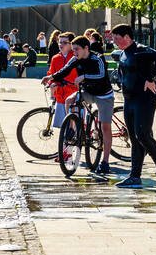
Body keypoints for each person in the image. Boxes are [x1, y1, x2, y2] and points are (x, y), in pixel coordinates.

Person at [110, 23, 156, 189]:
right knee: (135, 138)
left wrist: (150, 78)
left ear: (127, 37)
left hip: (144, 99)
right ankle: (134, 176)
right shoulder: (123, 53)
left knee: (143, 135)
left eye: (117, 38)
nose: (114, 42)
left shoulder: (141, 49)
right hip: (129, 100)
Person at [45, 35, 116, 176]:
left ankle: (105, 162)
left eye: (77, 49)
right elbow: (64, 70)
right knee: (69, 101)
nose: (74, 52)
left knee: (105, 127)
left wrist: (85, 76)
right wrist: (51, 77)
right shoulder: (75, 58)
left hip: (103, 94)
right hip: (88, 91)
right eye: (73, 49)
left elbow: (102, 75)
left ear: (86, 48)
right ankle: (73, 127)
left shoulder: (97, 58)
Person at [44, 33, 77, 156]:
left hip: (73, 95)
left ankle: (67, 153)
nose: (61, 45)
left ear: (71, 44)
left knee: (73, 126)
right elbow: (52, 73)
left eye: (64, 42)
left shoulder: (75, 57)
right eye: (60, 42)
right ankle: (65, 151)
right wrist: (52, 82)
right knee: (64, 127)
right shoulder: (55, 58)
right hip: (60, 96)